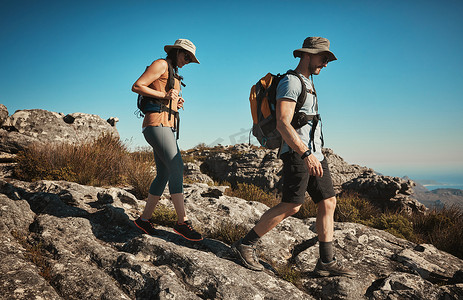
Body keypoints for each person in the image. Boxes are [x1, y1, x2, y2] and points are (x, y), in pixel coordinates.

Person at [232, 37, 355, 277]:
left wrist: (315, 153)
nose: (326, 63)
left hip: (315, 154)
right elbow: (282, 123)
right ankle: (245, 245)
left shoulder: (308, 82)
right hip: (299, 154)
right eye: (323, 57)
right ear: (307, 55)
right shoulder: (291, 82)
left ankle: (326, 262)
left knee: (328, 202)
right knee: (292, 205)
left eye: (328, 59)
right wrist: (305, 153)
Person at [131, 38, 203, 241]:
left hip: (166, 127)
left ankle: (143, 220)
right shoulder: (161, 64)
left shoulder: (175, 73)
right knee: (177, 167)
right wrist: (164, 95)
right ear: (177, 52)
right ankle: (182, 222)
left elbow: (166, 97)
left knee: (163, 174)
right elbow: (137, 86)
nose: (187, 61)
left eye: (190, 59)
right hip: (156, 125)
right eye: (186, 56)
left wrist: (176, 102)